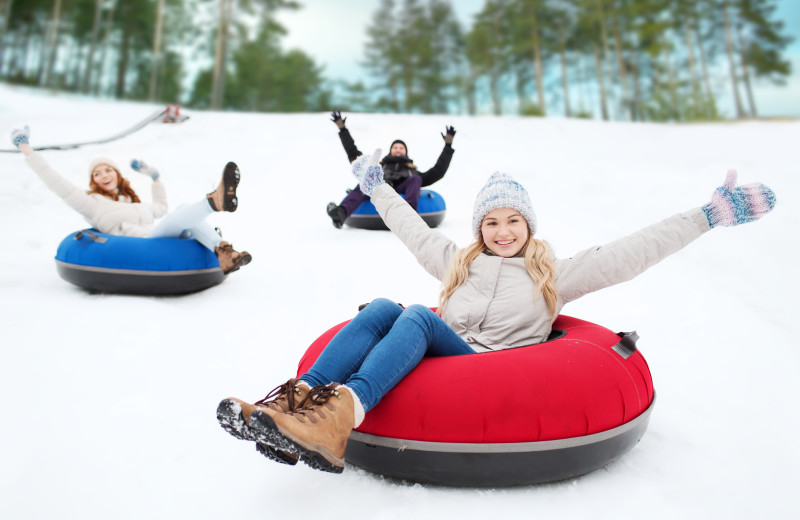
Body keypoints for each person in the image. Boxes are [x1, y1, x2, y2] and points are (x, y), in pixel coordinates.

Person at [218, 149, 776, 474]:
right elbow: (411, 227)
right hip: (432, 356)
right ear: (479, 229)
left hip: (485, 368)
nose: (502, 232)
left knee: (415, 315)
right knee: (388, 306)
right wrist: (375, 190)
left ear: (527, 226)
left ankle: (345, 413)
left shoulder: (550, 275)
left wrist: (705, 216)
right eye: (491, 223)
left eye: (512, 221)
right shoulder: (458, 262)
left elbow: (629, 253)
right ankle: (292, 405)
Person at [10, 126, 251, 273]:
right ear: (93, 181)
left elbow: (160, 209)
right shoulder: (91, 203)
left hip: (160, 237)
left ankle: (225, 253)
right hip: (144, 246)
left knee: (184, 214)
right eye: (97, 173)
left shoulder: (133, 203)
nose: (104, 175)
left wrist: (154, 178)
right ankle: (213, 202)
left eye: (108, 170)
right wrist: (25, 148)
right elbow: (56, 182)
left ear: (116, 174)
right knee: (184, 209)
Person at [325, 111, 456, 228]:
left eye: (401, 148)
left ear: (405, 152)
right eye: (395, 147)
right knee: (366, 181)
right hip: (381, 187)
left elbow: (438, 171)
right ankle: (340, 213)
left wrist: (448, 146)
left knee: (416, 180)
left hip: (404, 189)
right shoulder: (379, 166)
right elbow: (355, 156)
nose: (398, 149)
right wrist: (343, 129)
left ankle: (408, 217)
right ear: (391, 151)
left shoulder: (412, 172)